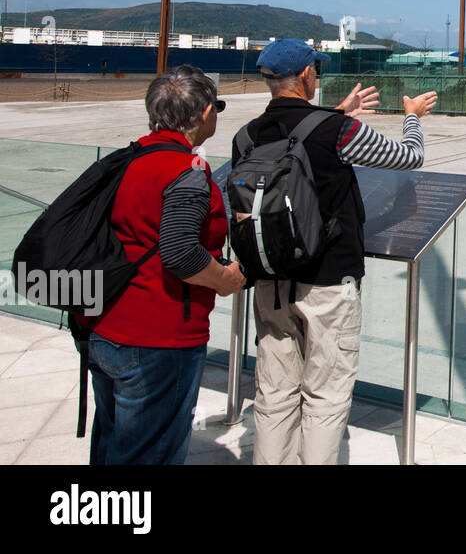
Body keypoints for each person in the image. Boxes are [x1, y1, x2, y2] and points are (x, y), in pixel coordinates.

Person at [234, 38, 436, 465]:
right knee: (325, 394)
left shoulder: (245, 136)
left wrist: (335, 113)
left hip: (270, 280)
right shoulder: (339, 131)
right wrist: (412, 117)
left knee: (273, 393)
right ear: (308, 74)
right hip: (329, 282)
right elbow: (410, 158)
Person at [78, 65, 245, 465]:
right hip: (158, 335)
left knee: (115, 440)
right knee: (150, 451)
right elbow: (180, 253)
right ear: (205, 114)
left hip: (104, 324)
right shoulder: (185, 171)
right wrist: (226, 278)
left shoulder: (129, 158)